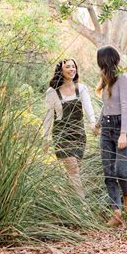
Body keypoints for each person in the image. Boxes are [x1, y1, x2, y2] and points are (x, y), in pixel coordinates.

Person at [43, 58, 96, 194]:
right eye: (68, 67)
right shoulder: (52, 92)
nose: (72, 69)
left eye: (74, 66)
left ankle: (69, 200)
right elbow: (49, 115)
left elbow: (89, 108)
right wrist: (45, 138)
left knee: (74, 170)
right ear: (61, 70)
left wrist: (93, 123)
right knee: (73, 170)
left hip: (79, 134)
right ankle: (83, 206)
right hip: (62, 135)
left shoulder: (82, 88)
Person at [94, 46, 127, 227]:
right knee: (108, 173)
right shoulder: (105, 80)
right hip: (106, 129)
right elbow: (107, 105)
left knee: (120, 170)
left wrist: (123, 134)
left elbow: (125, 107)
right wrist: (98, 122)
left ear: (106, 60)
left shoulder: (122, 79)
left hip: (121, 128)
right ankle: (116, 213)